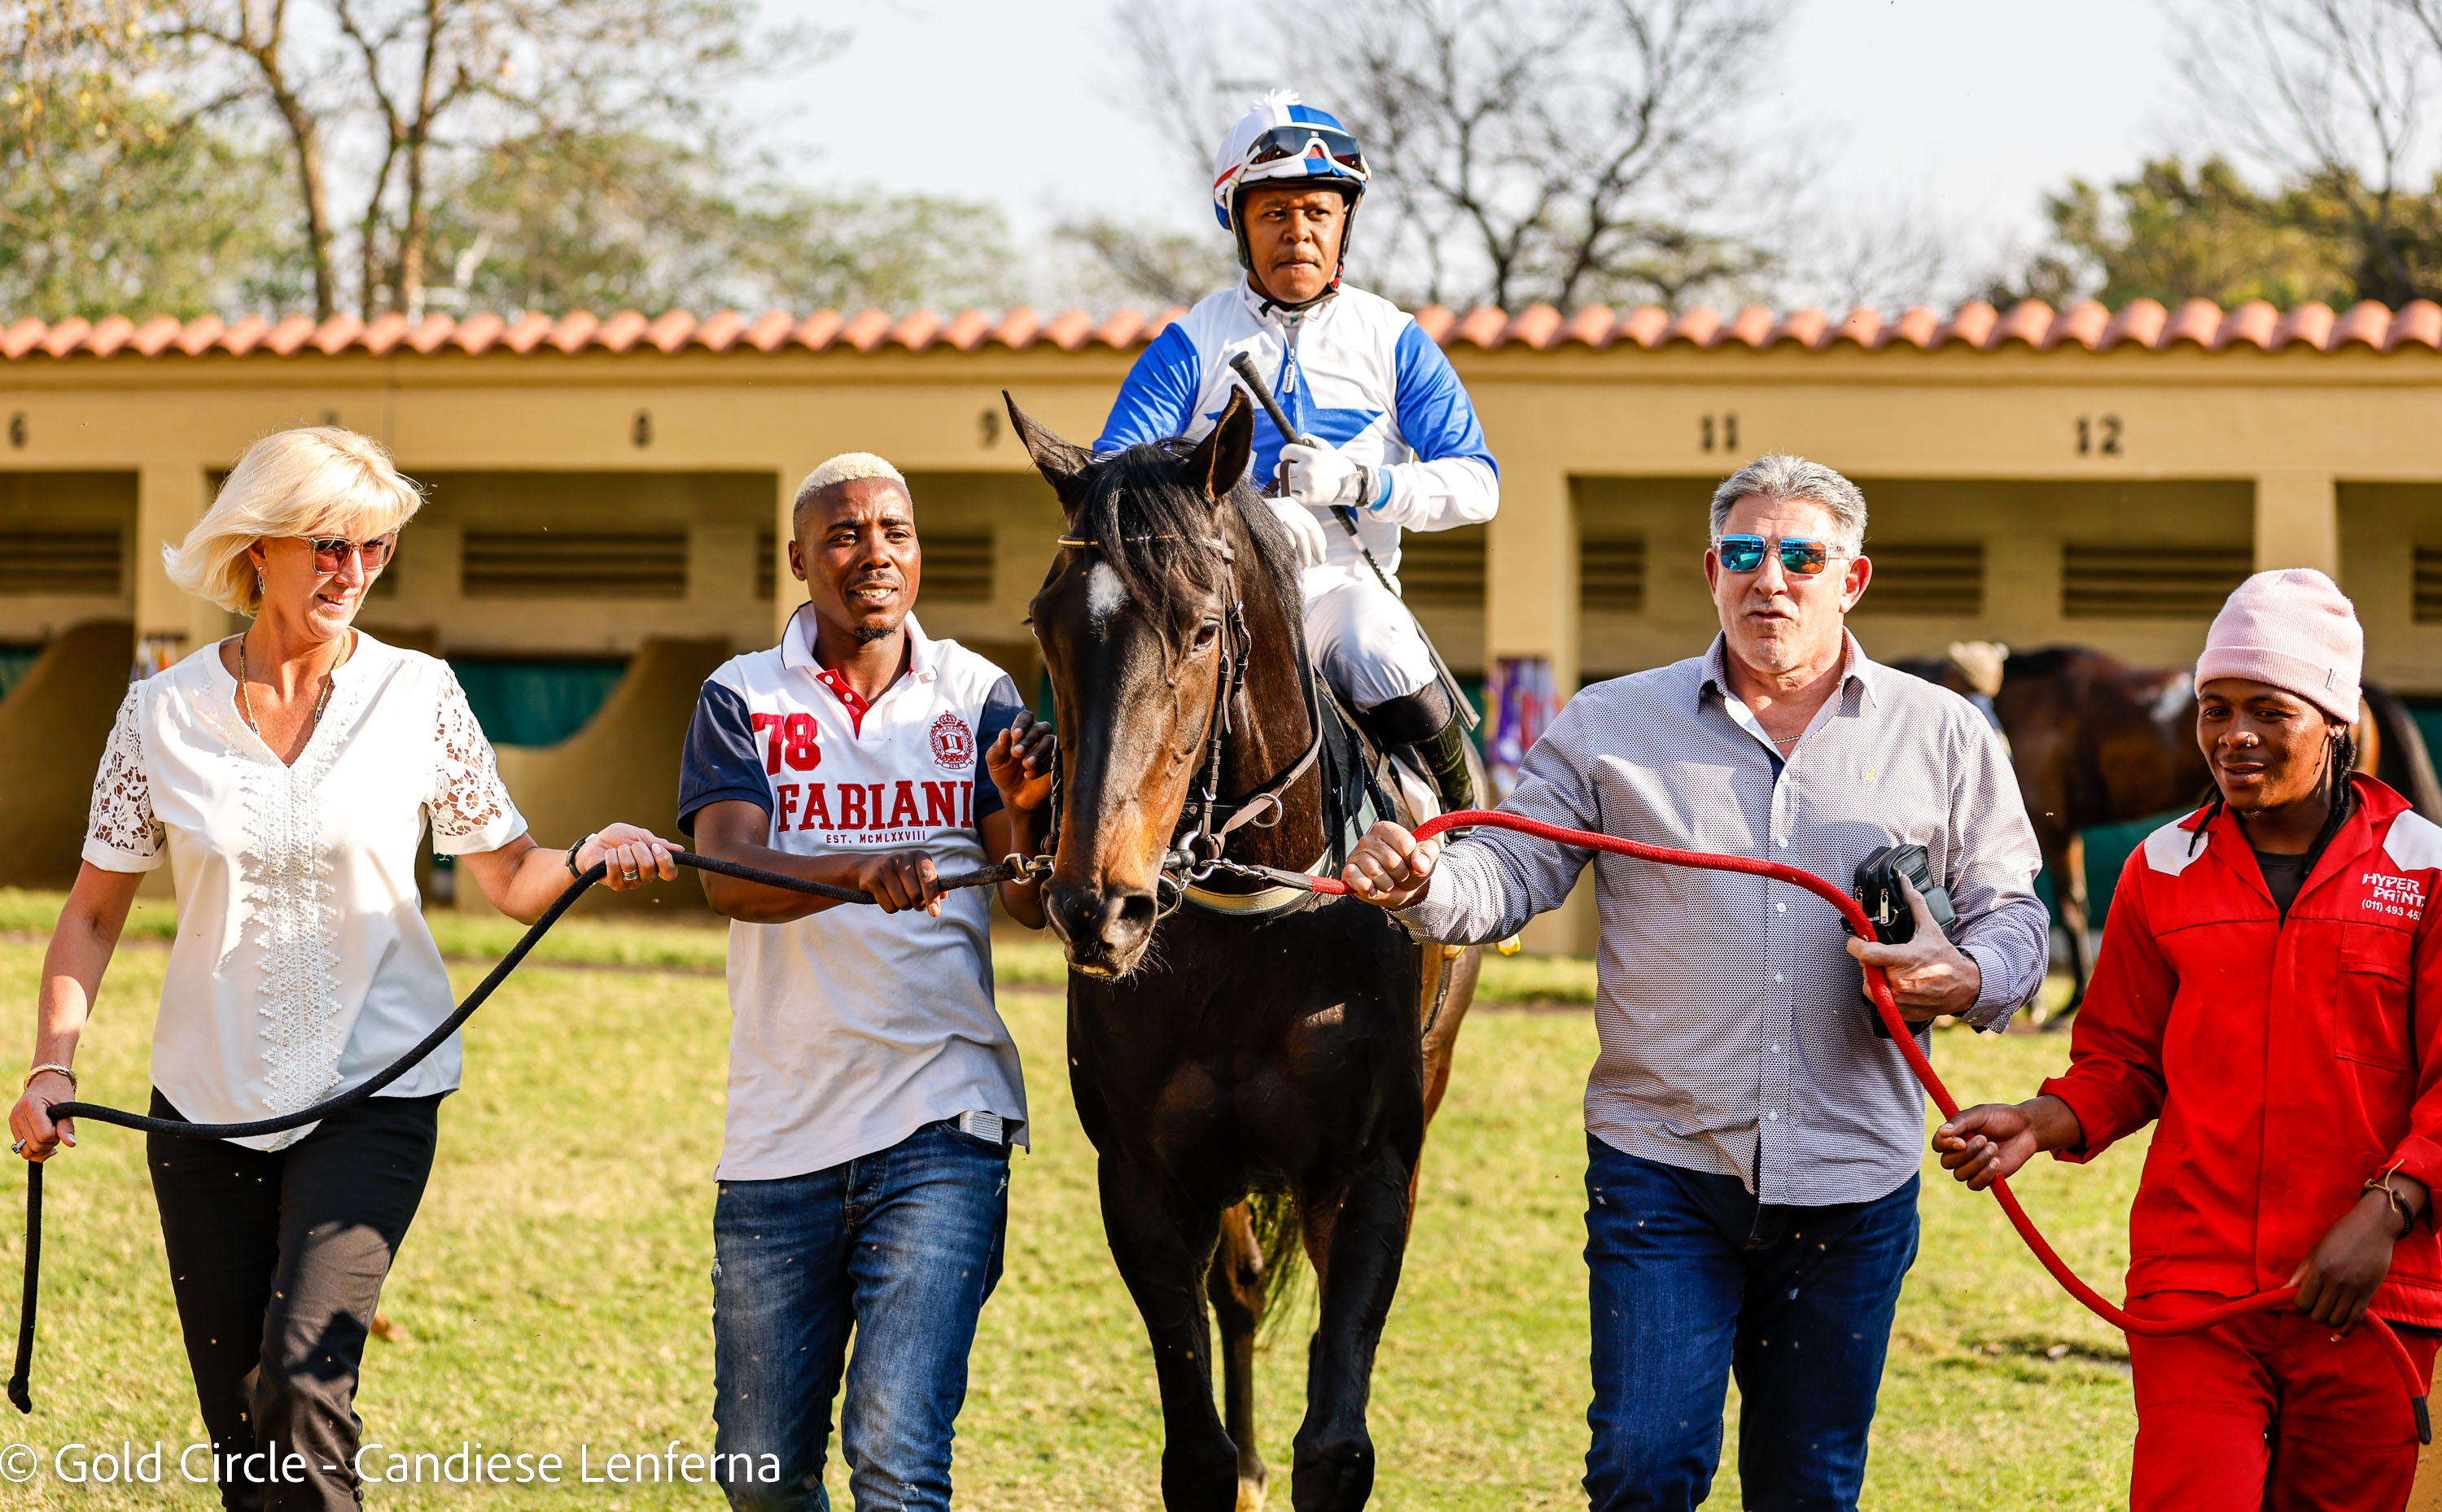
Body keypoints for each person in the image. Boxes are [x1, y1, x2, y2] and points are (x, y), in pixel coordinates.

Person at [1338, 454, 2050, 1512]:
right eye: (1747, 553)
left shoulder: (1943, 732)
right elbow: (1511, 870)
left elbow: (2014, 913)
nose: (1773, 579)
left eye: (1803, 556)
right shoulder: (1610, 724)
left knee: (1807, 1488)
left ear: (1852, 579)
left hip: (1851, 1182)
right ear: (1714, 571)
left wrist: (1968, 973)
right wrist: (1423, 882)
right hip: (1662, 1169)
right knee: (1643, 1469)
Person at [6, 426, 677, 1512]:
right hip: (203, 1104)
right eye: (327, 544)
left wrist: (591, 856)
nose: (352, 570)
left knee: (304, 1383)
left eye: (374, 547)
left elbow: (511, 872)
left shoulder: (420, 694)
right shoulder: (160, 714)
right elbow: (90, 910)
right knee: (242, 1429)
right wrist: (51, 1065)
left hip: (377, 1087)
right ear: (257, 545)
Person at [1933, 569, 2442, 1512]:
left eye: (2268, 709)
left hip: (2370, 1291)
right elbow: (2123, 1060)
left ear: (2335, 717)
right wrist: (2041, 1120)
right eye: (2216, 709)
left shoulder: (2426, 870)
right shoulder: (2159, 870)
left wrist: (2386, 1214)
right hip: (2197, 1289)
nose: (2234, 734)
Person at [676, 452, 1054, 1512]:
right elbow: (728, 874)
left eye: (895, 530)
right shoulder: (740, 694)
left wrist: (1025, 816)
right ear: (799, 558)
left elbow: (1028, 901)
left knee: (895, 1456)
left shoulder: (978, 693)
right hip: (780, 1137)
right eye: (844, 533)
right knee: (761, 1475)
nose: (874, 552)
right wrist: (858, 871)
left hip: (944, 1118)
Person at [1095, 90, 1498, 815]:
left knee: (1378, 642)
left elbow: (1478, 486)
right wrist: (1247, 522)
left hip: (1345, 596)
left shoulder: (1395, 338)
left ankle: (1464, 834)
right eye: (1274, 213)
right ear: (1239, 225)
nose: (1298, 233)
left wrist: (1364, 482)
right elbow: (1111, 485)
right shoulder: (1191, 342)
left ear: (1346, 222)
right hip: (1215, 601)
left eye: (1318, 212)